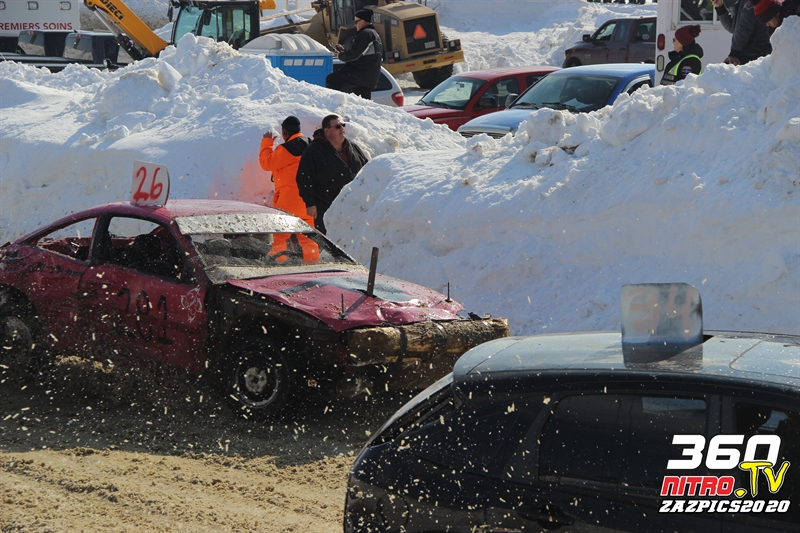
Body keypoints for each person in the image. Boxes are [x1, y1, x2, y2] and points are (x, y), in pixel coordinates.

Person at [296, 115, 369, 235]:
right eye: (337, 126)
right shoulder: (314, 150)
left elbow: (367, 170)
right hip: (326, 208)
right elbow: (304, 177)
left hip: (352, 206)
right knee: (330, 244)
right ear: (327, 131)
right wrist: (310, 203)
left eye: (343, 125)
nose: (342, 129)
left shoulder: (353, 148)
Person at [259, 116, 318, 262]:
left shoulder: (286, 149)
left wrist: (267, 142)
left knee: (281, 234)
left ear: (285, 132)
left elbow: (267, 163)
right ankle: (312, 263)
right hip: (309, 200)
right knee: (307, 235)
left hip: (289, 200)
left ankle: (278, 263)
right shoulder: (311, 146)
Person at [325, 9, 383, 100]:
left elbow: (353, 55)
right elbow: (361, 54)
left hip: (360, 73)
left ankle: (336, 103)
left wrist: (339, 55)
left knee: (332, 79)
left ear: (363, 22)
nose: (354, 24)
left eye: (356, 22)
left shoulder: (366, 34)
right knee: (362, 101)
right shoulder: (374, 34)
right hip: (368, 76)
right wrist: (344, 51)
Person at [712, 0, 773, 65]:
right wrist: (720, 7)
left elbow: (745, 28)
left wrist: (734, 53)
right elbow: (733, 27)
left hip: (754, 55)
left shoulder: (750, 2)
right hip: (747, 53)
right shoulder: (743, 2)